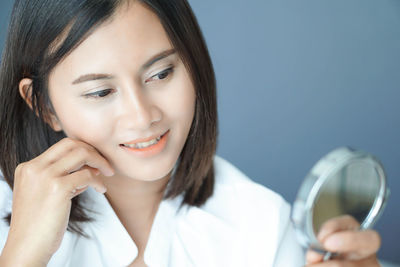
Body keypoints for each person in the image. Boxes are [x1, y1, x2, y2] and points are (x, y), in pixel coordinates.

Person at [0, 0, 381, 266]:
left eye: (161, 73)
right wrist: (20, 257)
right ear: (43, 106)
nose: (142, 116)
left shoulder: (261, 224)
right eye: (100, 92)